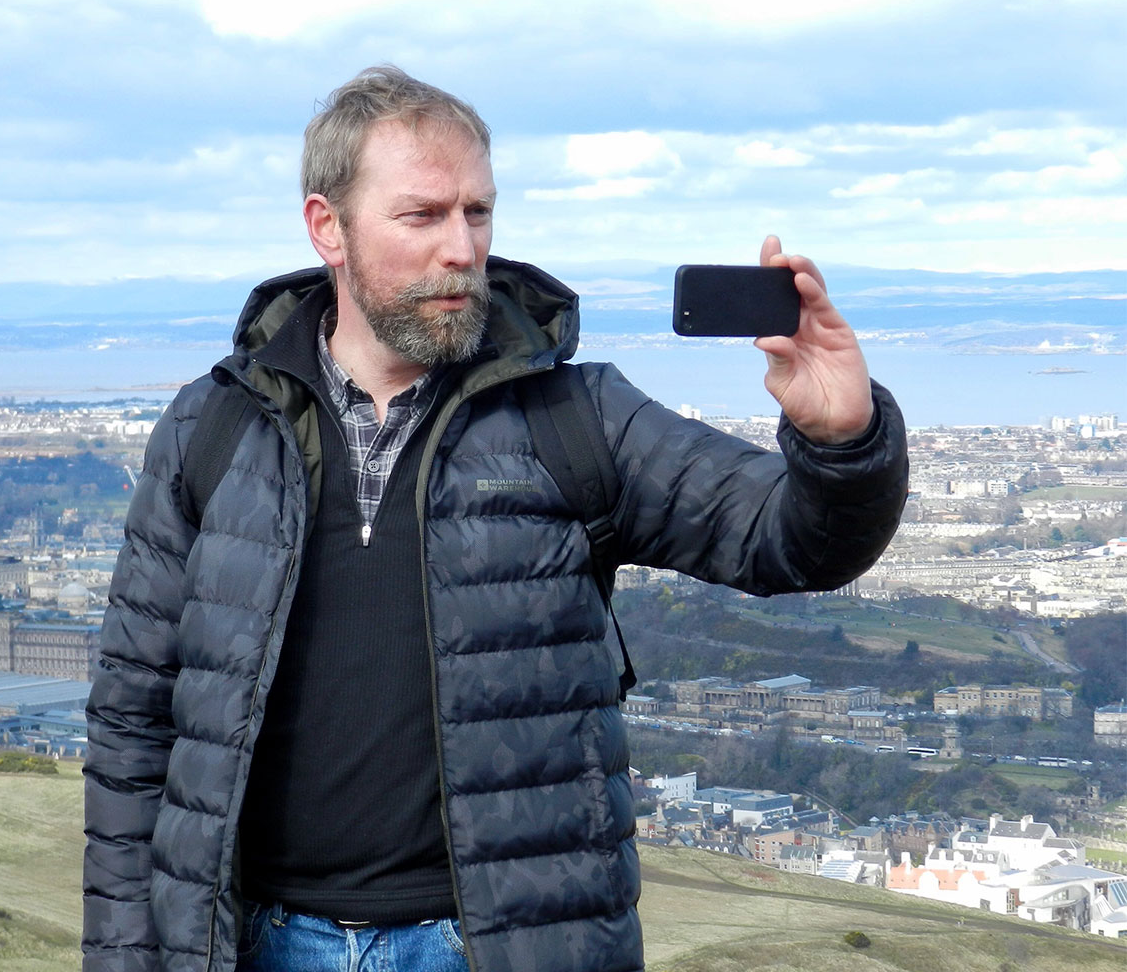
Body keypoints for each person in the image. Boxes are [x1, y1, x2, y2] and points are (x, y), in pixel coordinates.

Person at [82, 66, 908, 972]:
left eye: (478, 213)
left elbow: (789, 539)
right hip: (261, 944)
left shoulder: (575, 418)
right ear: (329, 227)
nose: (461, 249)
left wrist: (844, 441)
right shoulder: (214, 429)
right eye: (423, 215)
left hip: (493, 949)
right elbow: (133, 730)